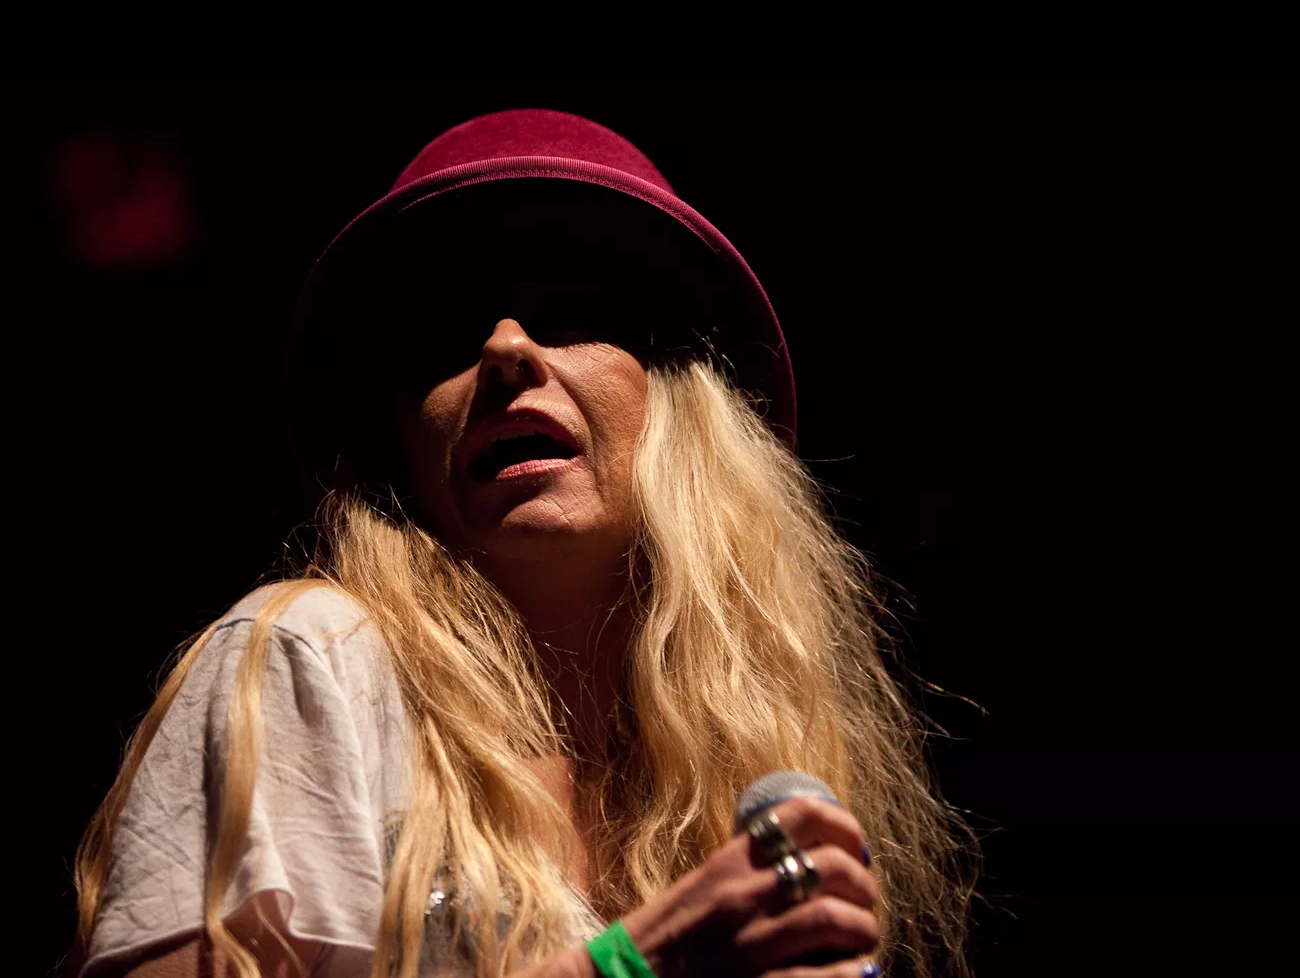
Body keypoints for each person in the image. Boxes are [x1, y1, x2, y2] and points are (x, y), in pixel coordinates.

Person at [70, 109, 974, 978]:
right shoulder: (313, 662)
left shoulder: (732, 757)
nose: (505, 348)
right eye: (444, 335)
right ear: (400, 447)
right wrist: (631, 963)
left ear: (686, 405)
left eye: (572, 314)